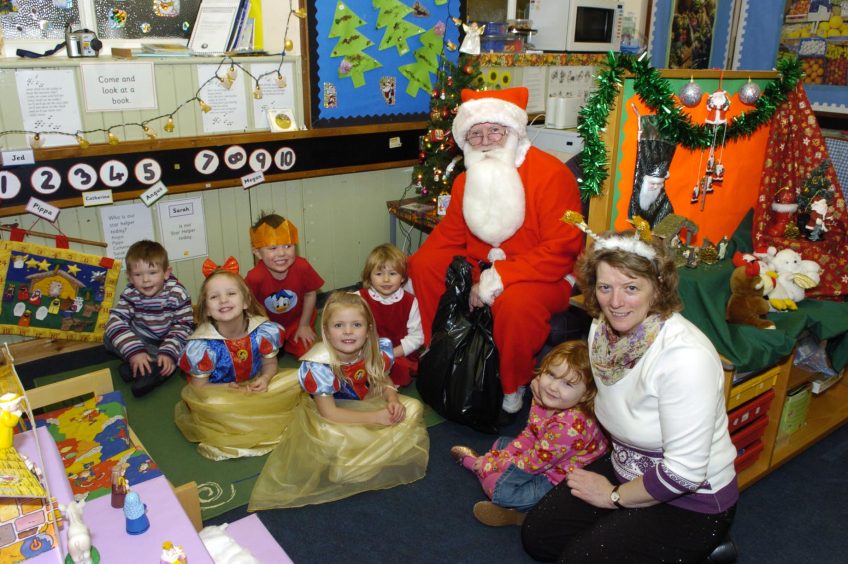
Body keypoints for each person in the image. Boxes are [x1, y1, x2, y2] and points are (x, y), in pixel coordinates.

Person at [520, 224, 739, 562]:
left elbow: (684, 473)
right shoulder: (601, 329)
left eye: (631, 287)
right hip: (628, 468)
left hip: (690, 499)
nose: (615, 302)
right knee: (538, 537)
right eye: (605, 287)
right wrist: (550, 388)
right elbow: (610, 395)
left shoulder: (685, 358)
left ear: (658, 288)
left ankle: (713, 549)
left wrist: (613, 497)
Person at [408, 86, 584, 415]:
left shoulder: (551, 175)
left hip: (546, 273)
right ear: (465, 142)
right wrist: (421, 266)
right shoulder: (466, 181)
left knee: (514, 303)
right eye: (476, 134)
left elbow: (563, 248)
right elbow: (450, 235)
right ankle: (442, 347)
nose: (486, 140)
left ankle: (511, 383)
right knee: (424, 264)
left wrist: (500, 277)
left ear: (513, 131)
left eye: (495, 131)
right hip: (484, 265)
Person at [248, 291, 429, 510]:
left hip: (366, 403)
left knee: (413, 407)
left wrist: (392, 398)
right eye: (338, 326)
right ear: (325, 330)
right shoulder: (320, 364)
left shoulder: (374, 349)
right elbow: (329, 413)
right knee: (332, 437)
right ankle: (360, 460)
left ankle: (363, 457)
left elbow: (382, 378)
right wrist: (377, 417)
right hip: (334, 416)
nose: (348, 332)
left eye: (356, 325)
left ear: (368, 329)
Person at [450, 340, 608, 527]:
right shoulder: (547, 398)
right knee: (502, 444)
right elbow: (530, 434)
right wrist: (502, 458)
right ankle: (486, 468)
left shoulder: (568, 428)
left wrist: (492, 464)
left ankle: (520, 514)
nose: (553, 387)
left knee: (499, 489)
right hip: (545, 454)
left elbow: (532, 464)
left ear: (584, 396)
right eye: (551, 374)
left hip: (556, 480)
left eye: (568, 384)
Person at [175, 258, 300, 461]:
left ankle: (248, 417)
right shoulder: (202, 345)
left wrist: (266, 378)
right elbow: (198, 388)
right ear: (206, 308)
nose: (223, 300)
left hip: (255, 387)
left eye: (231, 294)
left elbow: (270, 364)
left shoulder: (263, 330)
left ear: (245, 301)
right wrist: (227, 390)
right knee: (212, 404)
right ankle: (251, 417)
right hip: (221, 394)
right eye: (214, 297)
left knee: (296, 378)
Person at [104, 240, 193, 397]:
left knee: (192, 347)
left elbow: (183, 327)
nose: (146, 280)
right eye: (138, 275)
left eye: (152, 273)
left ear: (166, 272)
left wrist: (168, 351)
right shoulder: (131, 293)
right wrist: (135, 351)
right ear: (130, 277)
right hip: (144, 339)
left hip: (170, 337)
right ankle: (144, 362)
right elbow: (115, 320)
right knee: (108, 338)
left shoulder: (177, 293)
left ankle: (158, 366)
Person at [245, 212, 324, 358]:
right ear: (257, 252)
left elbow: (310, 293)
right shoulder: (255, 277)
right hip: (268, 325)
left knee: (311, 355)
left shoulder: (302, 267)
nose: (281, 253)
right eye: (272, 248)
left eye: (288, 246)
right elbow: (250, 308)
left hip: (298, 321)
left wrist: (304, 325)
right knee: (255, 360)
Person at [358, 243, 424, 387]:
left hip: (398, 352)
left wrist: (390, 354)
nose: (386, 279)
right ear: (369, 276)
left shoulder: (410, 302)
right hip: (366, 349)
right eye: (379, 274)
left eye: (392, 274)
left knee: (400, 372)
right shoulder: (359, 298)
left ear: (402, 277)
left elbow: (417, 337)